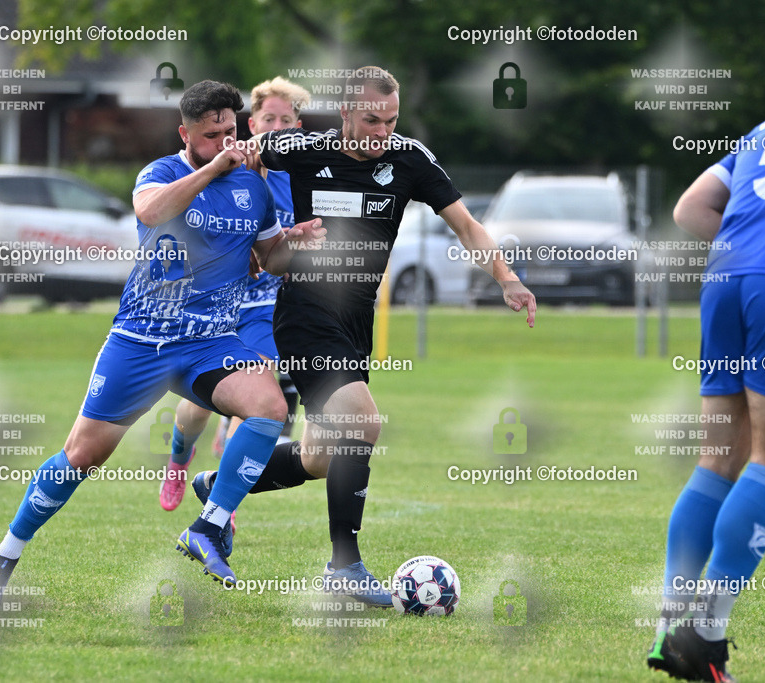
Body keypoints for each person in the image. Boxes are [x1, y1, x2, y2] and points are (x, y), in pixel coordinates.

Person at [0, 79, 325, 600]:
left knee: (268, 407)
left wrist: (296, 244)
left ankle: (208, 527)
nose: (226, 142)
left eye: (230, 131)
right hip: (142, 342)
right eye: (211, 135)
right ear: (185, 135)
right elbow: (150, 212)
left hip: (208, 341)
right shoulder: (164, 172)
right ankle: (4, 558)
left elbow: (267, 260)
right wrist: (211, 170)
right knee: (82, 456)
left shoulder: (254, 185)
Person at [194, 66, 536, 606]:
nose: (382, 132)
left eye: (391, 120)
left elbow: (466, 225)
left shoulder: (409, 160)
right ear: (346, 113)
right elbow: (231, 160)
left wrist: (507, 279)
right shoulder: (299, 149)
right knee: (364, 422)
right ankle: (344, 565)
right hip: (304, 318)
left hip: (354, 329)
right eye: (372, 120)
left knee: (319, 458)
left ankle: (226, 483)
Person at [158, 77, 311, 528]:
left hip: (269, 308)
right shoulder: (232, 167)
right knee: (196, 408)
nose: (278, 127)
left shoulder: (299, 179)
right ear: (251, 124)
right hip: (222, 304)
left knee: (259, 397)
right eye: (269, 119)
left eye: (287, 121)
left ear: (298, 127)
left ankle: (223, 498)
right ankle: (179, 460)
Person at [646, 120, 765, 682]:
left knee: (718, 459)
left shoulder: (760, 133)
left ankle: (671, 626)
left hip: (723, 279)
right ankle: (705, 632)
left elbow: (690, 208)